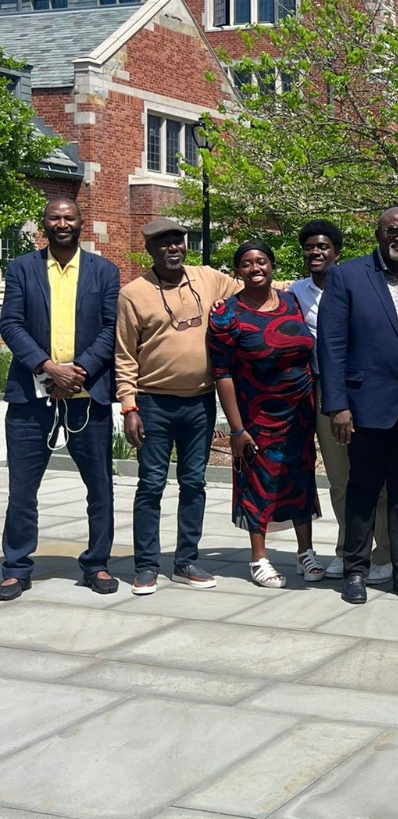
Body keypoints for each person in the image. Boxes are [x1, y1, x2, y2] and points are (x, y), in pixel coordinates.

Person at [317, 206, 398, 606]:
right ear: (379, 234)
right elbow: (331, 345)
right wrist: (337, 405)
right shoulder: (347, 276)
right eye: (392, 231)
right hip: (364, 406)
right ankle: (356, 569)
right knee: (363, 489)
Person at [0, 199, 121, 600]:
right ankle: (16, 567)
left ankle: (97, 564)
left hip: (88, 395)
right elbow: (11, 323)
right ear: (45, 224)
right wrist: (49, 367)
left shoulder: (104, 271)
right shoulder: (21, 268)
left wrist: (77, 370)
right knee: (22, 489)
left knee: (99, 487)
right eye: (55, 218)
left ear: (81, 222)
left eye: (69, 217)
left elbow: (110, 328)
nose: (62, 223)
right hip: (31, 396)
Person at [115, 218, 240, 596]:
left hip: (200, 403)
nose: (173, 249)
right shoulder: (133, 294)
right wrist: (129, 406)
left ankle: (186, 561)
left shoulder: (206, 278)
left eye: (178, 242)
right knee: (151, 485)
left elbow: (254, 291)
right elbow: (124, 356)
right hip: (153, 402)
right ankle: (146, 566)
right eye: (164, 244)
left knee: (193, 483)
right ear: (150, 251)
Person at [207, 240, 322, 588]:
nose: (255, 268)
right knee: (257, 481)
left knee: (301, 478)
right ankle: (259, 558)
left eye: (261, 262)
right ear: (237, 271)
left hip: (300, 411)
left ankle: (306, 552)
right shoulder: (226, 313)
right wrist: (237, 429)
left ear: (272, 266)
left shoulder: (292, 302)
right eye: (246, 263)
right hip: (255, 413)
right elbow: (221, 372)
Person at [291, 220, 390, 584]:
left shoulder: (363, 285)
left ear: (336, 252)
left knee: (375, 478)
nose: (315, 253)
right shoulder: (296, 294)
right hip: (324, 394)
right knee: (340, 479)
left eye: (323, 247)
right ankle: (348, 550)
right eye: (309, 247)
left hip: (366, 392)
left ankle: (384, 553)